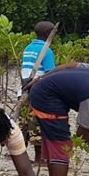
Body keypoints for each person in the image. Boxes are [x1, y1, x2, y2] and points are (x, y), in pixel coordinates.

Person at [19, 21, 57, 163]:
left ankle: (21, 157)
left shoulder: (28, 48)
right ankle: (39, 158)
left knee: (24, 124)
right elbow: (50, 73)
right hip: (38, 92)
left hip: (24, 90)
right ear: (48, 34)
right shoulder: (46, 50)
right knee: (37, 124)